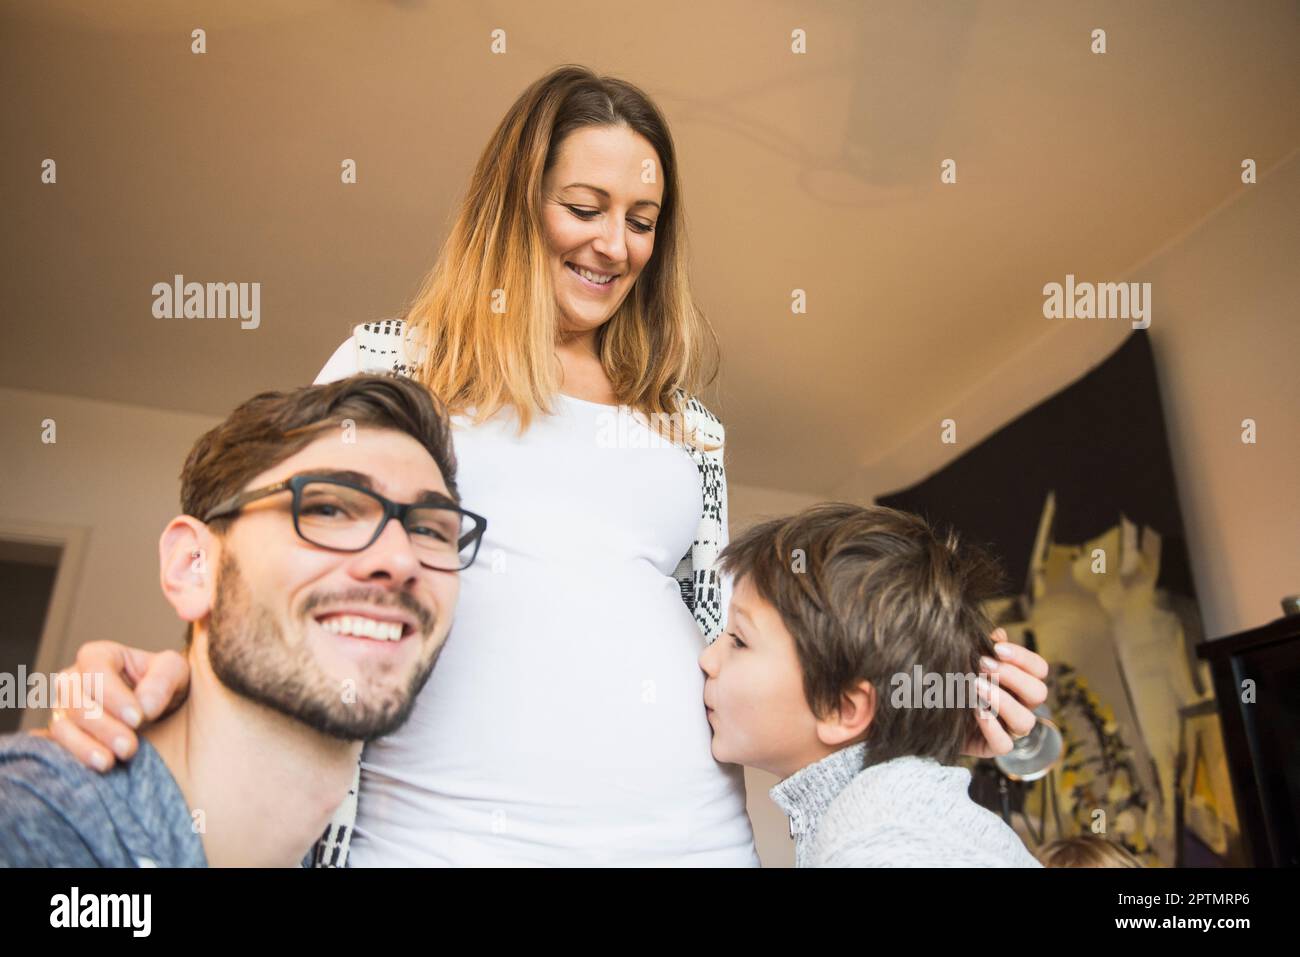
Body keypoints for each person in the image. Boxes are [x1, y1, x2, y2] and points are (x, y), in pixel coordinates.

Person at [42, 66, 1048, 866]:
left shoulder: (686, 427)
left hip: (690, 848)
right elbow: (282, 566)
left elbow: (728, 651)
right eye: (585, 205)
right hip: (425, 843)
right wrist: (158, 676)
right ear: (517, 202)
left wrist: (929, 705)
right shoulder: (391, 365)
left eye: (642, 220)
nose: (615, 244)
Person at [0, 375, 478, 866]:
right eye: (329, 508)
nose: (401, 560)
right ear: (193, 566)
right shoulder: (33, 824)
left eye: (428, 529)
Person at [701, 503, 1044, 866]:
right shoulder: (896, 813)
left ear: (842, 708)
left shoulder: (879, 840)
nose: (708, 659)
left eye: (739, 640)